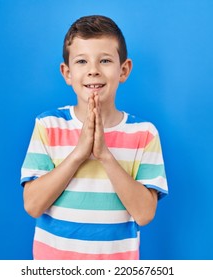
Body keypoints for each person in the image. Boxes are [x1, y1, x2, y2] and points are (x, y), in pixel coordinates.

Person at [20, 15, 168, 260]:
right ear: (67, 73)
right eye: (81, 61)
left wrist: (105, 156)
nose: (93, 71)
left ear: (124, 70)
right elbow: (33, 205)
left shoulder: (144, 133)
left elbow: (144, 214)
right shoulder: (48, 125)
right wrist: (79, 154)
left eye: (105, 60)